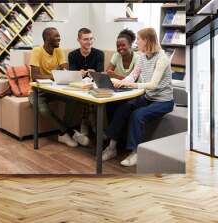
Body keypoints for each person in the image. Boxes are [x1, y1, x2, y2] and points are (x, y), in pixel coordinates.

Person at [102, 27, 174, 166]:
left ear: (146, 40)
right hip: (148, 97)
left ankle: (136, 152)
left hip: (163, 101)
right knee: (125, 106)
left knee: (138, 115)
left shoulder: (162, 58)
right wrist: (121, 82)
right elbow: (133, 75)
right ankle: (111, 147)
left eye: (139, 39)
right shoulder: (142, 56)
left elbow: (153, 85)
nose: (137, 42)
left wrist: (131, 85)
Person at [28, 27, 86, 147]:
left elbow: (65, 70)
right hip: (37, 91)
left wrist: (51, 75)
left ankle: (61, 134)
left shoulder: (58, 50)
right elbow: (35, 76)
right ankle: (69, 132)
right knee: (43, 110)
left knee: (74, 99)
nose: (59, 38)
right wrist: (55, 75)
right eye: (56, 36)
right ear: (47, 38)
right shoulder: (37, 51)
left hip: (55, 90)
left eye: (59, 35)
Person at [68, 28, 105, 145]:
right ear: (78, 40)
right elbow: (73, 74)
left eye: (91, 39)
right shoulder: (72, 55)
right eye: (85, 39)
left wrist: (94, 72)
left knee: (92, 92)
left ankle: (87, 123)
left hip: (94, 85)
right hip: (78, 86)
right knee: (81, 93)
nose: (89, 42)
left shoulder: (99, 54)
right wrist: (79, 73)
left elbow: (100, 73)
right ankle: (90, 123)